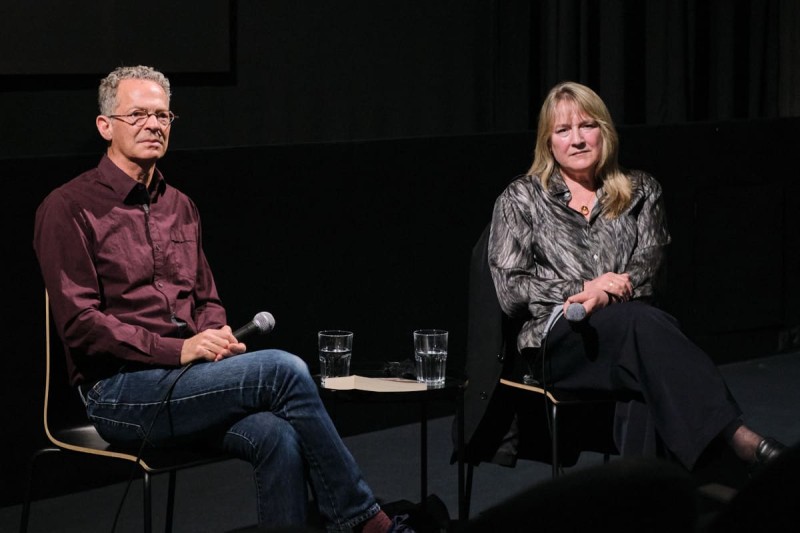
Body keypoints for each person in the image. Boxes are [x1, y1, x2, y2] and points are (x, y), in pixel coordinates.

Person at [33, 65, 408, 533]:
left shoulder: (180, 206)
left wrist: (214, 335)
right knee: (282, 369)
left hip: (189, 382)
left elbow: (205, 297)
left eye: (163, 115)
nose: (153, 125)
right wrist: (179, 349)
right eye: (138, 115)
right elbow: (81, 323)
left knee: (279, 435)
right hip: (119, 394)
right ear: (105, 126)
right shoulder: (68, 207)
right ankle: (365, 520)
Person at [463, 81, 786, 476]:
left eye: (587, 126)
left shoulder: (641, 191)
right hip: (560, 342)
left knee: (646, 387)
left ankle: (639, 507)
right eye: (563, 131)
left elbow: (649, 270)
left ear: (605, 131)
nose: (577, 139)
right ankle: (737, 439)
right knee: (643, 327)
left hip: (628, 337)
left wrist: (606, 298)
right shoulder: (522, 198)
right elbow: (512, 290)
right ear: (548, 144)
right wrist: (585, 290)